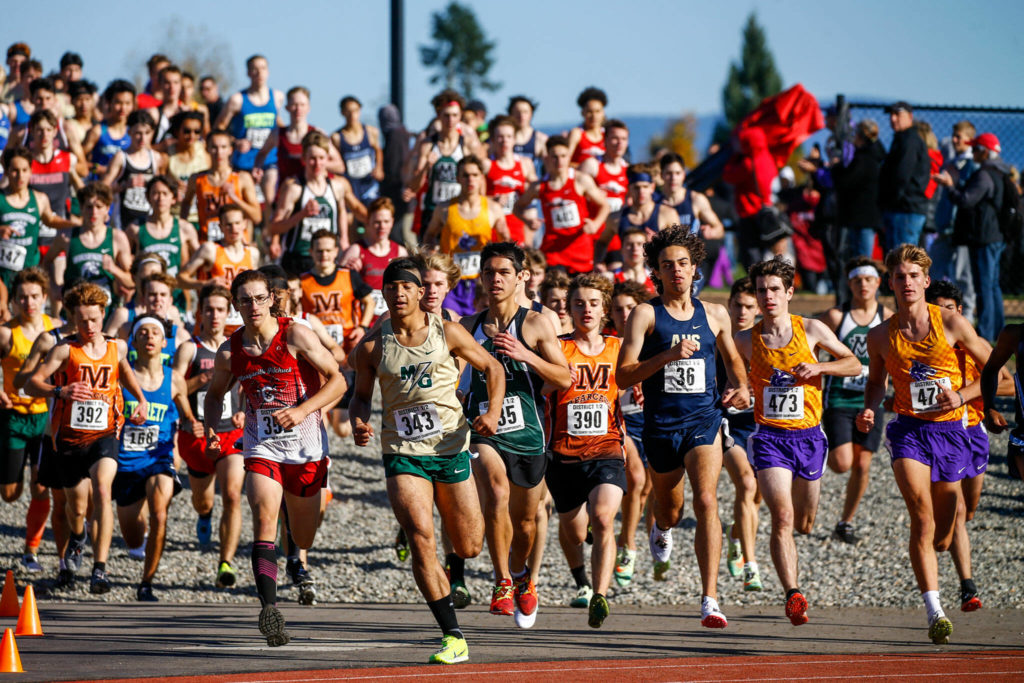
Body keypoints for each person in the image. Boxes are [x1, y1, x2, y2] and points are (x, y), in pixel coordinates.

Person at [349, 257, 505, 664]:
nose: (399, 294)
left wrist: (492, 412)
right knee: (421, 536)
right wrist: (359, 422)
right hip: (402, 452)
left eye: (407, 287)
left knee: (469, 546)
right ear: (383, 293)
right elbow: (360, 396)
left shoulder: (447, 331)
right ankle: (452, 635)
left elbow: (492, 367)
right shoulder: (372, 346)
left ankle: (445, 551)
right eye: (391, 287)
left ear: (421, 292)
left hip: (449, 448)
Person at [856, 244, 993, 644]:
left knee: (943, 535)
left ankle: (938, 555)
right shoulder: (879, 335)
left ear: (926, 281)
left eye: (914, 276)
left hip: (951, 432)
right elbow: (875, 383)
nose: (907, 283)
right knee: (921, 516)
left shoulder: (950, 322)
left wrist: (962, 396)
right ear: (890, 282)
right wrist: (869, 408)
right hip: (909, 431)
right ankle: (935, 611)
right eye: (900, 276)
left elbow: (994, 369)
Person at [202, 269, 345, 646]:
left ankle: (295, 550)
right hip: (262, 447)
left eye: (259, 298)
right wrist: (211, 429)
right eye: (245, 300)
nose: (253, 306)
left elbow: (339, 380)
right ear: (236, 305)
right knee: (264, 519)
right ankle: (269, 609)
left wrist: (302, 411)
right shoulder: (229, 351)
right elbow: (214, 395)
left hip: (306, 449)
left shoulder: (296, 335)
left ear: (271, 300)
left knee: (303, 535)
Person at [617, 226, 750, 628]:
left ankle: (710, 599)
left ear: (695, 269)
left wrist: (742, 387)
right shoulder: (646, 314)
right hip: (660, 426)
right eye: (667, 265)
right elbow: (623, 375)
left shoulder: (715, 314)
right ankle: (661, 526)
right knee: (670, 510)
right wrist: (667, 356)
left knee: (706, 500)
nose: (676, 270)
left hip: (703, 420)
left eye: (682, 263)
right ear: (656, 272)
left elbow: (733, 361)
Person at [734, 255, 860, 626]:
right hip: (770, 438)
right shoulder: (744, 340)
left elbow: (854, 363)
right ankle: (793, 594)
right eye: (762, 290)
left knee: (804, 522)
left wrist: (820, 367)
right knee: (782, 516)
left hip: (809, 437)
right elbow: (730, 377)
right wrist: (737, 389)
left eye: (775, 289)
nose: (768, 296)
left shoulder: (812, 329)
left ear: (789, 292)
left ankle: (796, 556)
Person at [461, 242, 571, 629]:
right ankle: (502, 581)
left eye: (504, 272)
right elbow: (452, 378)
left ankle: (521, 572)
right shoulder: (468, 326)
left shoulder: (536, 324)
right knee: (495, 492)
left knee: (525, 524)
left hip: (527, 433)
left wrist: (527, 355)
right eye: (489, 273)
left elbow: (564, 378)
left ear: (521, 277)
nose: (495, 279)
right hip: (484, 429)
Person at [26, 282, 148, 593]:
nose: (89, 326)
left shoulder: (117, 346)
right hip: (69, 439)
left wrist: (141, 399)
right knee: (76, 508)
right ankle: (78, 536)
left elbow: (124, 370)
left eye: (94, 319)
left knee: (103, 491)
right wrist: (60, 390)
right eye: (82, 320)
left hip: (105, 434)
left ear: (103, 314)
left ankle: (100, 569)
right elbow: (30, 384)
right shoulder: (65, 350)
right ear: (72, 318)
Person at [925, 281, 1013, 613]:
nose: (945, 316)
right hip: (942, 432)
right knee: (959, 510)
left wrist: (971, 395)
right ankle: (968, 586)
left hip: (973, 430)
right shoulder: (930, 348)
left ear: (960, 312)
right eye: (937, 310)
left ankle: (948, 537)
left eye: (949, 309)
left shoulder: (977, 345)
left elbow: (1007, 382)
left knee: (970, 507)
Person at [546, 273, 627, 628]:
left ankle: (600, 594)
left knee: (605, 519)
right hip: (563, 454)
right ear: (569, 309)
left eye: (594, 303)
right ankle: (580, 572)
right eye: (578, 304)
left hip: (606, 449)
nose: (586, 310)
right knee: (576, 532)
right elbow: (539, 387)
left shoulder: (618, 347)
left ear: (605, 308)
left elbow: (635, 377)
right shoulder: (557, 347)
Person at [114, 315, 193, 601]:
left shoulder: (175, 379)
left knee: (160, 513)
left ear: (164, 342)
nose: (149, 337)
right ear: (133, 341)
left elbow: (188, 418)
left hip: (159, 457)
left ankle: (146, 583)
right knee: (133, 537)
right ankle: (141, 538)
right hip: (125, 463)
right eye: (143, 332)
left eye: (155, 333)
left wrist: (196, 429)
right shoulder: (120, 377)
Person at [173, 284, 245, 588]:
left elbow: (249, 382)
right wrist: (190, 415)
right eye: (209, 309)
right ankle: (205, 515)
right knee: (202, 501)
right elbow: (174, 387)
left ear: (228, 312)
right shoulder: (189, 349)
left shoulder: (236, 346)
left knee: (232, 495)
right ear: (199, 312)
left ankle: (225, 562)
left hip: (231, 432)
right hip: (199, 434)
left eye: (220, 309)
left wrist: (245, 410)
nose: (215, 315)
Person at [818, 258, 894, 544]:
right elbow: (808, 341)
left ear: (878, 283)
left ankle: (845, 522)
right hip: (838, 397)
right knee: (841, 464)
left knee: (862, 464)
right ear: (849, 284)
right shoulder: (837, 316)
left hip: (871, 400)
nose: (863, 285)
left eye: (869, 279)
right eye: (857, 280)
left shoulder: (887, 317)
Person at [0, 268, 61, 572]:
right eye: (22, 297)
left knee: (41, 487)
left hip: (44, 418)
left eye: (35, 296)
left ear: (45, 297)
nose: (29, 303)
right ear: (14, 300)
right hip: (13, 417)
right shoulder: (6, 332)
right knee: (10, 495)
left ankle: (31, 549)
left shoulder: (56, 329)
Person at [934, 132, 1008, 341]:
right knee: (992, 285)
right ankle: (998, 330)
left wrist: (950, 186)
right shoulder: (1000, 172)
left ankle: (985, 333)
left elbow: (966, 200)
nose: (972, 152)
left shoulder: (985, 174)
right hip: (994, 235)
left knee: (984, 286)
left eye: (975, 149)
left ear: (985, 152)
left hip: (984, 237)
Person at [717, 277, 764, 591]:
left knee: (758, 495)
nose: (743, 312)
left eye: (749, 306)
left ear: (757, 309)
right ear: (729, 305)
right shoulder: (717, 339)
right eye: (738, 305)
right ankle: (751, 564)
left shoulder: (764, 341)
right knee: (746, 484)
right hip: (726, 424)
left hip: (760, 423)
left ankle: (737, 534)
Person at [606, 281, 653, 589]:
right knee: (635, 478)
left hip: (649, 419)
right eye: (618, 309)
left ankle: (631, 535)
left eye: (630, 309)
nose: (624, 315)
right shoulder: (607, 344)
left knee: (648, 488)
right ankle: (628, 544)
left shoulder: (652, 342)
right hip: (618, 420)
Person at [423, 155, 509, 315]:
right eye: (465, 175)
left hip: (482, 282)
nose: (470, 180)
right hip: (452, 282)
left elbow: (506, 244)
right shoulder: (444, 208)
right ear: (457, 178)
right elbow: (429, 235)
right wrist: (431, 253)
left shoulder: (493, 208)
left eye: (475, 175)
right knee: (450, 323)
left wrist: (504, 237)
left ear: (481, 177)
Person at [514, 135, 609, 275]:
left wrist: (596, 224)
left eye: (563, 156)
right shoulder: (540, 186)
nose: (559, 161)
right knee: (557, 287)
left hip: (581, 250)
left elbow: (604, 205)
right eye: (555, 157)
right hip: (553, 253)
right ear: (547, 158)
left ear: (569, 157)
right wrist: (528, 221)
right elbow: (517, 207)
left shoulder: (580, 180)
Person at [267, 131, 351, 275]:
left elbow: (342, 212)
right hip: (298, 260)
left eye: (321, 158)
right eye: (312, 158)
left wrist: (344, 239)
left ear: (327, 158)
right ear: (304, 158)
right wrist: (301, 214)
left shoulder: (336, 187)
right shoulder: (295, 189)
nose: (317, 164)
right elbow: (274, 228)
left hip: (327, 260)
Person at [0, 145, 78, 292]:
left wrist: (76, 224)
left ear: (31, 171)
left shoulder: (39, 198)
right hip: (2, 274)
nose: (20, 176)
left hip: (28, 273)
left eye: (24, 170)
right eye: (15, 170)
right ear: (7, 171)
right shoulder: (1, 198)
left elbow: (51, 220)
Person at [405, 91, 480, 238]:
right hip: (433, 211)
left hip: (458, 211)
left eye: (455, 115)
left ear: (460, 116)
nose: (450, 120)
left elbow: (479, 179)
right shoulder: (428, 145)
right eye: (446, 115)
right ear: (439, 116)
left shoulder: (467, 144)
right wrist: (426, 167)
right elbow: (414, 186)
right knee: (429, 252)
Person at [45, 183, 133, 306]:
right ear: (81, 208)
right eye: (89, 207)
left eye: (99, 207)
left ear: (107, 209)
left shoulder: (117, 238)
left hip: (106, 310)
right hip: (74, 309)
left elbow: (131, 282)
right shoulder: (67, 236)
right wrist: (54, 287)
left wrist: (114, 270)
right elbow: (47, 261)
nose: (94, 212)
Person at [215, 55, 286, 205]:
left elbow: (277, 122)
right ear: (248, 73)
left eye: (263, 68)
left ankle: (271, 220)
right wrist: (235, 142)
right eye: (254, 69)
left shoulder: (277, 97)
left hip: (269, 159)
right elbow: (219, 128)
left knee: (271, 197)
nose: (259, 73)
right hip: (244, 161)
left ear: (268, 71)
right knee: (245, 205)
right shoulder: (237, 100)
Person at [299, 229, 375, 351]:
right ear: (311, 252)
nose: (324, 255)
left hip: (349, 343)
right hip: (316, 347)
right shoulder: (302, 281)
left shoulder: (349, 275)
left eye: (328, 250)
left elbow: (369, 302)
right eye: (319, 251)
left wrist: (363, 328)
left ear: (336, 251)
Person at [180, 129, 261, 242]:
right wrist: (184, 226)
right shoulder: (196, 179)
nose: (219, 152)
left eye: (223, 147)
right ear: (207, 149)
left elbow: (256, 217)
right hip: (207, 244)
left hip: (236, 245)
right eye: (214, 147)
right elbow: (186, 203)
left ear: (230, 150)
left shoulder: (242, 178)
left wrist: (235, 198)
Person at [257, 86, 344, 184]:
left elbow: (340, 166)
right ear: (287, 108)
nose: (298, 109)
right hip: (286, 189)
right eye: (294, 105)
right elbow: (261, 154)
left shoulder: (318, 134)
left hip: (312, 189)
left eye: (302, 105)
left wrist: (315, 164)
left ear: (308, 108)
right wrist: (258, 168)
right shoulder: (277, 134)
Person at [721, 128, 781, 270]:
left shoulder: (748, 163)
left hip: (749, 213)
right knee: (765, 252)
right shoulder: (768, 159)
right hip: (766, 212)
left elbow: (728, 175)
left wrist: (735, 156)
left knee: (751, 255)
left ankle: (755, 280)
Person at [340, 197, 408, 322]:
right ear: (368, 221)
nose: (382, 226)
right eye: (377, 222)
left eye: (386, 221)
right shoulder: (356, 250)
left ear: (392, 222)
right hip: (363, 321)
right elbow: (338, 283)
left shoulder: (400, 252)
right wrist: (347, 271)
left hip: (392, 321)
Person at [832, 119, 886, 268]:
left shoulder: (864, 158)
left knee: (861, 258)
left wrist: (836, 168)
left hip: (863, 216)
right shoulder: (875, 156)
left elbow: (846, 181)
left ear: (862, 137)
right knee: (860, 255)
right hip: (866, 215)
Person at [101, 110, 167, 230]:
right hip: (122, 221)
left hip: (148, 220)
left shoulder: (156, 158)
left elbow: (163, 188)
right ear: (129, 132)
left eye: (147, 133)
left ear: (152, 133)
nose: (142, 138)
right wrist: (124, 185)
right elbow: (102, 189)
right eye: (138, 133)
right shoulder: (121, 157)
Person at [878, 101, 931, 252]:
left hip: (905, 209)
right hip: (900, 208)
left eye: (897, 114)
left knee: (903, 258)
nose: (893, 118)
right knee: (896, 257)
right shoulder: (901, 139)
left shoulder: (909, 141)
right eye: (891, 115)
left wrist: (891, 199)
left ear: (910, 116)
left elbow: (901, 175)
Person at [484, 116, 538, 246]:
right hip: (493, 228)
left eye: (509, 136)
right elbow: (474, 197)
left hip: (518, 228)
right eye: (500, 137)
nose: (505, 141)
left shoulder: (525, 164)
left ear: (514, 139)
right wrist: (492, 200)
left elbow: (537, 192)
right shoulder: (486, 164)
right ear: (493, 139)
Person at [333, 95, 383, 205]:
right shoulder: (336, 138)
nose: (352, 115)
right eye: (348, 111)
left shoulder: (371, 132)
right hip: (350, 184)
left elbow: (378, 150)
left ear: (360, 111)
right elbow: (335, 161)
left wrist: (379, 167)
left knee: (373, 210)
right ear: (342, 112)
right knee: (352, 213)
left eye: (355, 110)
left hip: (368, 182)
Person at [82, 80, 134, 181]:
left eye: (127, 103)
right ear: (109, 103)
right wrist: (98, 169)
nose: (123, 108)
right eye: (118, 103)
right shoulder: (98, 131)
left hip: (123, 187)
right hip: (99, 186)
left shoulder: (134, 133)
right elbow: (78, 161)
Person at [619, 163, 680, 239]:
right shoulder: (617, 218)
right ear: (629, 188)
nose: (641, 191)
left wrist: (658, 241)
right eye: (636, 187)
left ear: (652, 187)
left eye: (645, 187)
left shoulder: (668, 214)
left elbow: (679, 244)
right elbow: (604, 242)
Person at [567, 87, 607, 166]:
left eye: (597, 111)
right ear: (582, 113)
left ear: (603, 113)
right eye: (589, 112)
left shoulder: (608, 134)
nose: (594, 116)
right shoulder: (577, 133)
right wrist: (585, 167)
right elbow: (565, 162)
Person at [508, 95, 547, 171]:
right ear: (511, 114)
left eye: (525, 112)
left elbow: (550, 166)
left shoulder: (541, 139)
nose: (521, 116)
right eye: (517, 112)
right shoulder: (503, 138)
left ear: (531, 114)